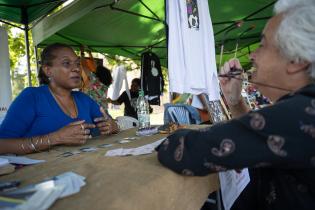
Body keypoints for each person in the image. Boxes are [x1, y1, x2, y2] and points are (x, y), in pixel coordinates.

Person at [157, 0, 315, 209]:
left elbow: (186, 151)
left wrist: (171, 136)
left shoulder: (298, 115)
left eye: (263, 45)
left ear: (296, 61)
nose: (252, 56)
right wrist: (234, 100)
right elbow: (259, 137)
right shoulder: (304, 110)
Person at [0, 43, 118, 155]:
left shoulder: (84, 99)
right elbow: (2, 144)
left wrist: (111, 126)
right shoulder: (32, 97)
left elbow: (110, 123)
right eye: (67, 63)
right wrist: (56, 138)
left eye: (77, 64)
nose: (77, 69)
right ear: (48, 70)